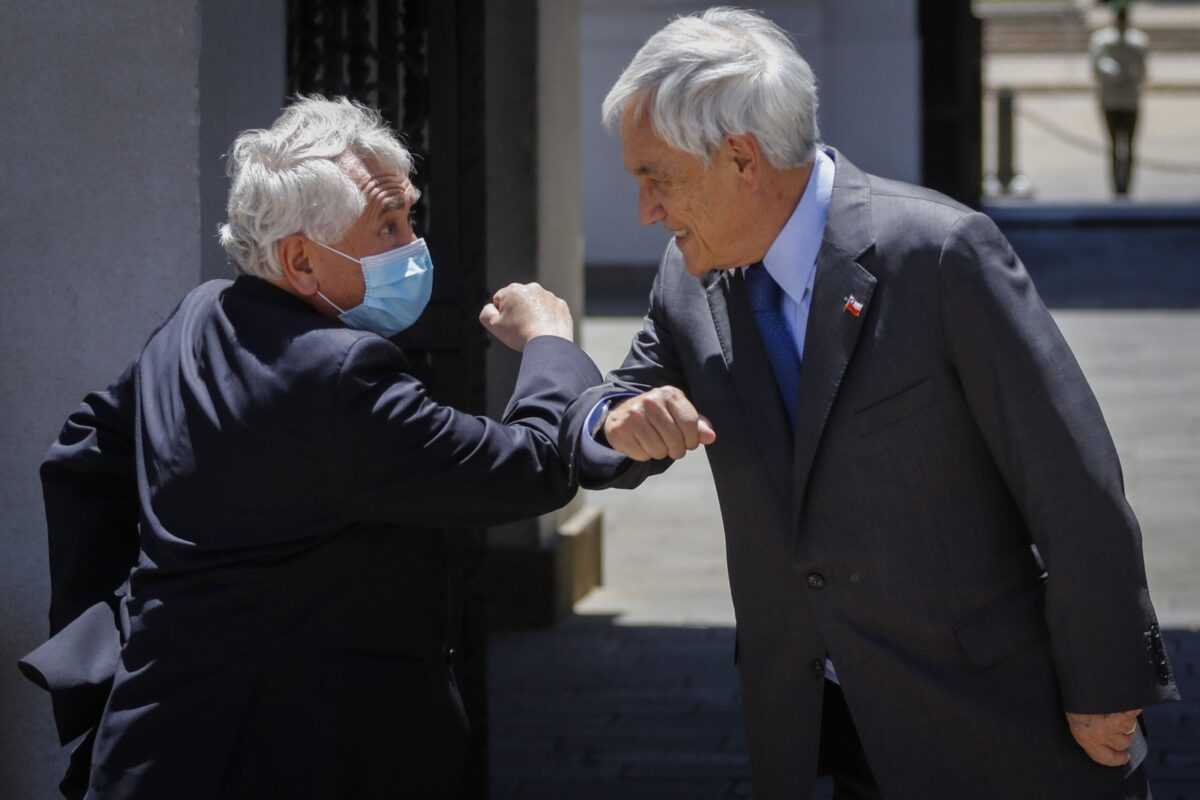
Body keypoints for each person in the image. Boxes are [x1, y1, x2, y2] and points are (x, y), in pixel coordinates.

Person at [561, 8, 1179, 799]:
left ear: (741, 158)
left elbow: (1070, 478)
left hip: (992, 722)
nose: (646, 209)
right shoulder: (688, 277)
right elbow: (618, 404)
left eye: (657, 177)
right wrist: (608, 421)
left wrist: (1106, 680)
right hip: (817, 731)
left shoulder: (938, 252)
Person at [18, 96, 601, 800]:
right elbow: (534, 466)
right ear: (300, 259)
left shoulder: (200, 315)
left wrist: (119, 619)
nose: (414, 246)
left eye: (409, 217)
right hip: (287, 759)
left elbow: (85, 448)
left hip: (153, 742)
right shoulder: (339, 376)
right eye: (387, 226)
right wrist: (549, 342)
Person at [1089, 4, 1149, 195]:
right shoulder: (1106, 40)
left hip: (1119, 100)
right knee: (1120, 145)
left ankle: (1122, 186)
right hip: (1119, 99)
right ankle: (1120, 186)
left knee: (1120, 145)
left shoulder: (1136, 41)